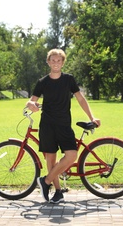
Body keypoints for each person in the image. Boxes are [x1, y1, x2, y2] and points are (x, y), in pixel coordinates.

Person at [26, 48, 101, 203]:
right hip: (47, 125)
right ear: (48, 62)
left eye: (58, 60)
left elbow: (80, 99)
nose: (55, 63)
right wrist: (30, 104)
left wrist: (92, 116)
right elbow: (32, 101)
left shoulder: (69, 80)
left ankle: (45, 181)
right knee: (50, 160)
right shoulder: (43, 82)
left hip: (64, 125)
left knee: (72, 156)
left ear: (63, 62)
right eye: (52, 60)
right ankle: (58, 191)